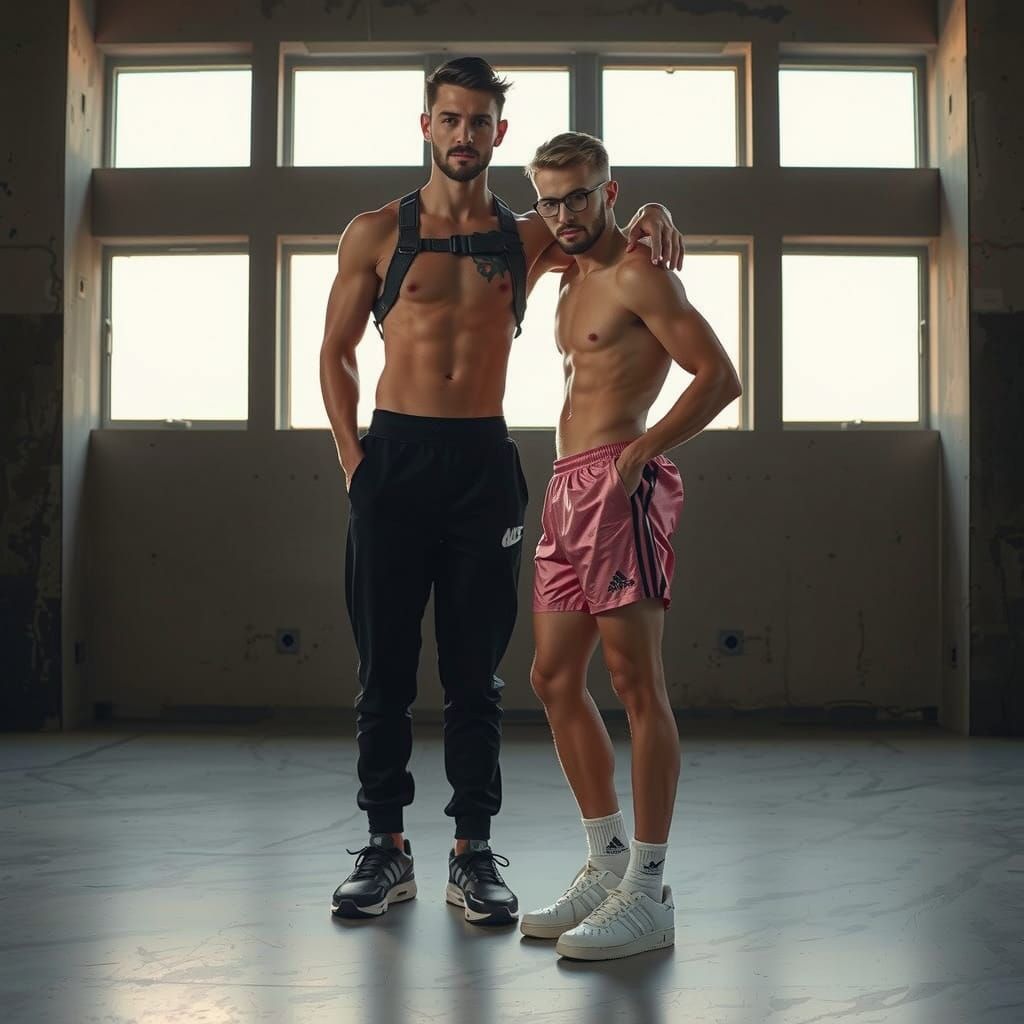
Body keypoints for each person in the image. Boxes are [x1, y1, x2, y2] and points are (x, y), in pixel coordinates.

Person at [319, 58, 685, 926]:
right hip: (393, 455)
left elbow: (608, 245)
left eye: (480, 122)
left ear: (498, 136)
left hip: (482, 462)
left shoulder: (529, 237)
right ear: (427, 126)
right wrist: (353, 461)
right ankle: (385, 848)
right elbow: (334, 352)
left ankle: (472, 852)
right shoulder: (375, 232)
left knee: (477, 674)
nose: (464, 135)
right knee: (384, 672)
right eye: (451, 119)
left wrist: (657, 212)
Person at [518, 131, 741, 959]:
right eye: (550, 199)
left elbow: (719, 376)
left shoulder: (642, 271)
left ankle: (649, 889)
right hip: (563, 491)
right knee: (550, 677)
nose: (565, 213)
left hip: (616, 484)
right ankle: (606, 862)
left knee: (634, 683)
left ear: (609, 191)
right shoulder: (564, 277)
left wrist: (642, 454)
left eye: (581, 195)